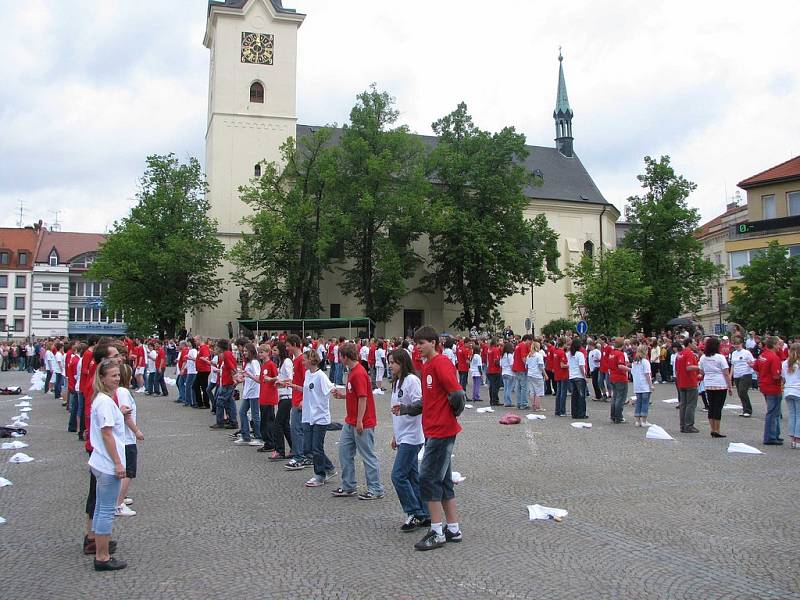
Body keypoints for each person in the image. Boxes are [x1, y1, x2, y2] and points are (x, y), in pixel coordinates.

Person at [392, 325, 465, 551]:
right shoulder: (427, 366)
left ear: (433, 342)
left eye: (421, 343)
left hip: (441, 430)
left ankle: (436, 531)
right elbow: (428, 400)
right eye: (416, 343)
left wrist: (450, 414)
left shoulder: (440, 363)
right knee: (442, 481)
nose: (418, 347)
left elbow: (457, 394)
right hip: (434, 429)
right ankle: (453, 529)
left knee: (428, 479)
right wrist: (406, 409)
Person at [87, 358, 129, 571]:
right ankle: (102, 557)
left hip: (100, 461)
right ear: (102, 378)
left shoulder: (103, 399)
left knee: (101, 507)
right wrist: (118, 463)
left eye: (118, 375)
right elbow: (107, 435)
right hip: (106, 463)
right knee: (105, 510)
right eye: (113, 375)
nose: (117, 379)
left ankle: (99, 546)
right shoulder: (104, 401)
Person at [330, 343, 384, 500]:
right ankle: (349, 485)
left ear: (345, 357)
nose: (339, 359)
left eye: (340, 356)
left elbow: (363, 398)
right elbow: (356, 394)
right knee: (344, 452)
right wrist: (343, 396)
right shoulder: (353, 372)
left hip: (362, 422)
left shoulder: (358, 373)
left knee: (367, 455)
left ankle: (375, 488)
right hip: (351, 420)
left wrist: (360, 421)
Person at [388, 348, 430, 531]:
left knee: (398, 475)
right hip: (403, 435)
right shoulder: (397, 382)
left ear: (402, 363)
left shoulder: (412, 380)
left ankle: (414, 512)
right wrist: (395, 435)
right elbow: (397, 412)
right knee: (412, 476)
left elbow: (420, 404)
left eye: (393, 363)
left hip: (412, 437)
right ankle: (425, 512)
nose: (390, 366)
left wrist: (404, 408)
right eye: (389, 362)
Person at [290, 350, 336, 487]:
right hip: (308, 415)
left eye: (304, 360)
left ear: (311, 360)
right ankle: (329, 467)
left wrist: (340, 394)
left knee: (316, 447)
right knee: (308, 448)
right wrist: (294, 387)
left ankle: (320, 475)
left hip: (320, 417)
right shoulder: (307, 374)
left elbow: (330, 389)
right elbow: (307, 390)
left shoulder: (321, 376)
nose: (302, 362)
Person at [114, 362, 144, 517]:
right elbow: (126, 415)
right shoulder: (123, 392)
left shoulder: (117, 391)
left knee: (125, 470)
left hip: (122, 437)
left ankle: (119, 498)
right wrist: (137, 431)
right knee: (129, 471)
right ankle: (118, 503)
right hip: (126, 437)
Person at [282, 335, 310, 469]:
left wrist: (304, 399)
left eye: (288, 346)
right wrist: (286, 383)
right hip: (297, 397)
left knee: (296, 429)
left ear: (294, 344)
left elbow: (307, 381)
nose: (287, 349)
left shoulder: (301, 360)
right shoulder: (296, 360)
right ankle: (305, 455)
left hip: (300, 399)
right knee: (300, 429)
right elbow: (299, 380)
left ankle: (299, 457)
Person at [698, 337, 733, 438]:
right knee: (718, 407)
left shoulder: (703, 357)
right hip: (720, 383)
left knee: (711, 406)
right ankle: (717, 429)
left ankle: (712, 429)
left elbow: (701, 371)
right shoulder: (720, 357)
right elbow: (726, 373)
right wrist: (729, 386)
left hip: (708, 383)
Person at [756, 336, 784, 445]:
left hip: (764, 385)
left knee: (774, 412)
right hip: (773, 387)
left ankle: (775, 434)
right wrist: (784, 378)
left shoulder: (763, 355)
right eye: (778, 344)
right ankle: (770, 437)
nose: (779, 346)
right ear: (774, 344)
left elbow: (756, 367)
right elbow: (776, 375)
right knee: (773, 412)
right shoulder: (774, 357)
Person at [234, 343, 262, 446]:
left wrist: (248, 375)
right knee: (242, 412)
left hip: (254, 392)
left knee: (255, 415)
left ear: (251, 352)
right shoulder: (248, 363)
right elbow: (248, 377)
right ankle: (245, 436)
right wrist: (241, 378)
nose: (244, 353)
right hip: (248, 392)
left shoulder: (254, 362)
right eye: (243, 351)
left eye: (246, 351)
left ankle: (259, 437)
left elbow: (258, 378)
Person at [270, 342, 293, 460]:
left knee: (277, 423)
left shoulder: (287, 362)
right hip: (283, 396)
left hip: (287, 396)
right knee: (284, 424)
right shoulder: (282, 362)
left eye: (275, 350)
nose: (273, 352)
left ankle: (280, 450)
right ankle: (293, 447)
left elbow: (290, 378)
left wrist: (281, 383)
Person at [209, 340, 238, 430]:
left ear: (221, 348)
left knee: (220, 402)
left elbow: (232, 368)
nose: (215, 349)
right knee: (229, 403)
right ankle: (232, 421)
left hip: (227, 383)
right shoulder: (225, 355)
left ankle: (220, 422)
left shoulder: (226, 355)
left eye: (217, 348)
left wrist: (234, 379)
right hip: (226, 382)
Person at [730, 337, 755, 417]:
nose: (737, 345)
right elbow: (733, 365)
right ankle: (745, 409)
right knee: (740, 393)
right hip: (737, 374)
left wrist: (750, 364)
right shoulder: (733, 353)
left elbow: (752, 362)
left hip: (746, 373)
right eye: (735, 344)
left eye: (738, 344)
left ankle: (748, 410)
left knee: (742, 391)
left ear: (742, 344)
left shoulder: (746, 352)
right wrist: (730, 376)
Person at [608, 337, 630, 424]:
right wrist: (630, 369)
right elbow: (620, 366)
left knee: (615, 397)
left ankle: (613, 416)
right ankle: (619, 417)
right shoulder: (620, 354)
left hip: (612, 377)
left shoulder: (611, 353)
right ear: (623, 345)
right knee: (620, 398)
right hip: (620, 378)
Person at [782, 343, 800, 449]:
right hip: (798, 390)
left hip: (788, 390)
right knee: (799, 415)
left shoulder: (785, 363)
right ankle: (798, 439)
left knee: (792, 415)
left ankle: (792, 439)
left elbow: (783, 378)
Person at [630, 345, 653, 427]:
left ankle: (637, 421)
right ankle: (644, 421)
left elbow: (632, 372)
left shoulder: (634, 362)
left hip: (637, 386)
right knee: (645, 403)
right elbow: (647, 374)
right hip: (645, 386)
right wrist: (651, 385)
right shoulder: (645, 362)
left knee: (638, 402)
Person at [526, 341, 546, 412]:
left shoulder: (529, 355)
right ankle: (538, 406)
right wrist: (545, 374)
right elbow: (541, 366)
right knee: (539, 391)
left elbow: (526, 365)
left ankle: (533, 406)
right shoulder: (539, 355)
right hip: (537, 375)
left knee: (532, 391)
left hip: (530, 374)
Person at [512, 335, 531, 409]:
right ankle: (524, 404)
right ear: (527, 340)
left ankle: (519, 403)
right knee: (524, 387)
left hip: (516, 368)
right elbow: (523, 358)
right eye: (530, 341)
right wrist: (527, 366)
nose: (530, 343)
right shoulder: (523, 345)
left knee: (518, 387)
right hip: (522, 369)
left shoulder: (518, 345)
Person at [552, 339, 569, 417]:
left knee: (558, 393)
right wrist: (570, 365)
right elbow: (562, 365)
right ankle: (562, 411)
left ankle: (557, 410)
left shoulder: (555, 351)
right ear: (564, 344)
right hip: (563, 374)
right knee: (563, 393)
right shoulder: (562, 353)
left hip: (557, 374)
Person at [486, 338, 502, 406]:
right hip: (495, 370)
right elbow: (496, 360)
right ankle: (495, 400)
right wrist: (501, 364)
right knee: (496, 386)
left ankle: (492, 400)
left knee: (491, 386)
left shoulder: (489, 349)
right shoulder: (495, 349)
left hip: (489, 369)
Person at [500, 343, 514, 408]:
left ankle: (505, 401)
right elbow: (511, 365)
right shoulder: (510, 355)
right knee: (509, 388)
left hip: (504, 372)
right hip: (509, 373)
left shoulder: (502, 355)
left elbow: (501, 364)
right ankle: (509, 402)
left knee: (505, 388)